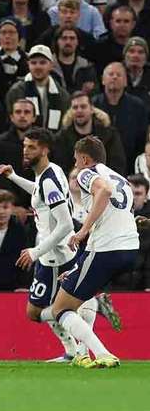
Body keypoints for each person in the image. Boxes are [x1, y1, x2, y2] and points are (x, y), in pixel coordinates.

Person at [0, 127, 98, 365]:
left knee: (37, 311)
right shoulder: (52, 172)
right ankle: (74, 345)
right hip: (56, 254)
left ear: (44, 150)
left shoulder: (50, 180)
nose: (25, 151)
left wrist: (35, 251)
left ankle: (75, 347)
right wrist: (13, 177)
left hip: (54, 257)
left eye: (31, 147)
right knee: (54, 307)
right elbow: (39, 193)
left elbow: (64, 225)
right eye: (24, 146)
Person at [50, 136, 140, 368]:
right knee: (82, 293)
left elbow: (105, 190)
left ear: (84, 158)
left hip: (107, 250)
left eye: (76, 159)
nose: (75, 164)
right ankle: (81, 354)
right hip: (129, 250)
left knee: (60, 308)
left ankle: (102, 353)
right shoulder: (121, 178)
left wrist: (83, 230)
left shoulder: (86, 174)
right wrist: (76, 265)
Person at [52, 91, 126, 176]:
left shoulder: (109, 135)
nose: (79, 110)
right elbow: (59, 167)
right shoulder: (61, 138)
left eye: (83, 107)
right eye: (75, 107)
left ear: (91, 109)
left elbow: (117, 165)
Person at [6, 45, 70, 133]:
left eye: (42, 63)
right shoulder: (16, 91)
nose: (38, 67)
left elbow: (64, 125)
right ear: (28, 65)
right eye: (34, 63)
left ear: (51, 65)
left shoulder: (62, 95)